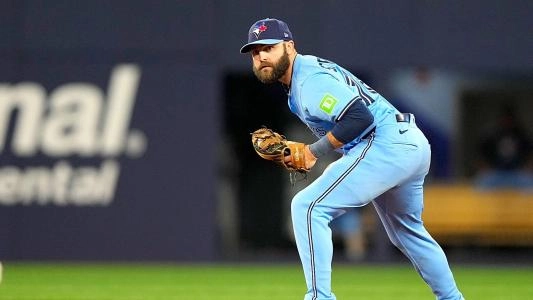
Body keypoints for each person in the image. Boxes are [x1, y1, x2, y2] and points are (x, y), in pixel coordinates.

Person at [240, 18, 465, 300]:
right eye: (255, 52)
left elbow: (359, 118)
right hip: (409, 143)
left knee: (307, 207)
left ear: (289, 46)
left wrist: (312, 152)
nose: (261, 56)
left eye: (268, 48)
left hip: (386, 143)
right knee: (407, 232)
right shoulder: (303, 79)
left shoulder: (308, 79)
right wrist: (307, 151)